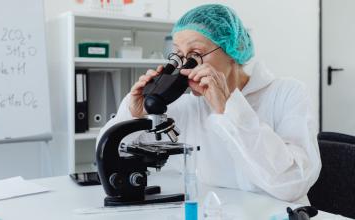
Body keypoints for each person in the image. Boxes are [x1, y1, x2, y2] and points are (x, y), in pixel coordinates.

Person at [97, 4, 321, 203]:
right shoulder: (188, 106)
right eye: (178, 55)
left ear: (232, 51)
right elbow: (108, 154)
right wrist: (133, 113)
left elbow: (292, 184)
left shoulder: (287, 93)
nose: (185, 65)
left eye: (195, 54)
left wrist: (227, 108)